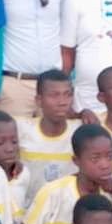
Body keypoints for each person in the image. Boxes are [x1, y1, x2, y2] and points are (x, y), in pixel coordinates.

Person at [22, 124, 112, 224]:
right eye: (95, 158)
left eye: (109, 157)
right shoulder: (54, 192)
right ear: (76, 160)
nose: (105, 165)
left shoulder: (111, 196)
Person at [16, 69, 81, 200]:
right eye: (54, 95)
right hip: (28, 207)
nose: (62, 102)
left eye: (67, 95)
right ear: (39, 100)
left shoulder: (80, 130)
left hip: (68, 208)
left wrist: (84, 113)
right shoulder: (21, 128)